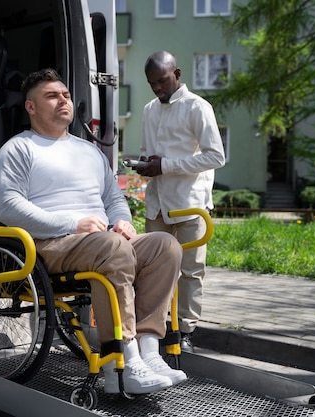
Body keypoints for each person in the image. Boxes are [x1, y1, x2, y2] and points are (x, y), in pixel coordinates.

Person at [0, 68, 186, 395]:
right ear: (31, 108)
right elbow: (9, 207)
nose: (63, 100)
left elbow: (113, 199)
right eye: (52, 96)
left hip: (101, 242)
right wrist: (72, 224)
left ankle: (149, 351)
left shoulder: (89, 151)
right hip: (49, 244)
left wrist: (123, 220)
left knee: (165, 246)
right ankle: (119, 363)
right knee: (111, 247)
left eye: (65, 95)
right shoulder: (19, 149)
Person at [137, 51, 226, 353]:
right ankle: (155, 329)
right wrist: (145, 163)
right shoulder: (149, 109)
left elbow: (216, 157)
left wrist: (165, 165)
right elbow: (151, 151)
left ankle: (185, 331)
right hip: (157, 203)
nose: (157, 88)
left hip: (190, 203)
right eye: (152, 84)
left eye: (162, 81)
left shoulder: (198, 107)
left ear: (177, 73)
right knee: (152, 271)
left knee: (190, 270)